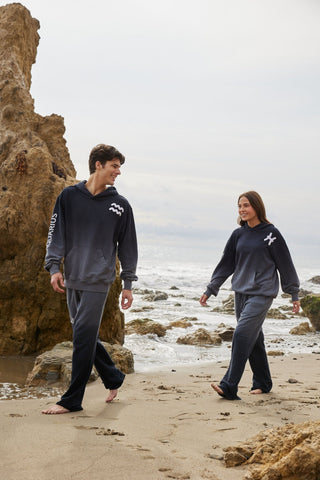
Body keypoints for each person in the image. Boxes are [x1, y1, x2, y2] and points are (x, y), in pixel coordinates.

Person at [42, 144, 138, 414]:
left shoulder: (120, 206)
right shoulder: (68, 197)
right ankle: (113, 376)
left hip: (99, 279)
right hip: (73, 276)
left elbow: (128, 247)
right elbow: (56, 232)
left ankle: (72, 400)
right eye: (114, 166)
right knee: (84, 336)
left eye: (119, 167)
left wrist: (128, 284)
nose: (118, 172)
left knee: (83, 337)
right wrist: (54, 267)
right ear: (98, 165)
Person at [199, 191, 300, 400]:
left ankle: (229, 385)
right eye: (239, 206)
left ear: (257, 207)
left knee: (242, 333)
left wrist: (293, 292)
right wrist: (211, 288)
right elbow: (226, 263)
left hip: (262, 293)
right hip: (241, 292)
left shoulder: (271, 234)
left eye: (246, 205)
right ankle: (263, 382)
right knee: (253, 339)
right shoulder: (238, 235)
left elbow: (285, 263)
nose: (242, 210)